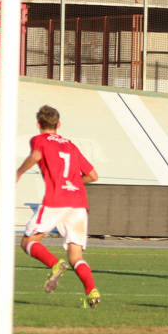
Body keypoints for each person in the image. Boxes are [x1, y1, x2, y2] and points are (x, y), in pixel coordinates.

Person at [16, 105, 101, 308]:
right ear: (59, 125)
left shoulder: (39, 140)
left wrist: (18, 172)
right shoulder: (70, 145)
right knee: (76, 256)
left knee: (28, 242)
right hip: (78, 203)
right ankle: (92, 291)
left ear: (38, 125)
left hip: (56, 199)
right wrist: (73, 182)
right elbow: (93, 176)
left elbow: (36, 156)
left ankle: (54, 264)